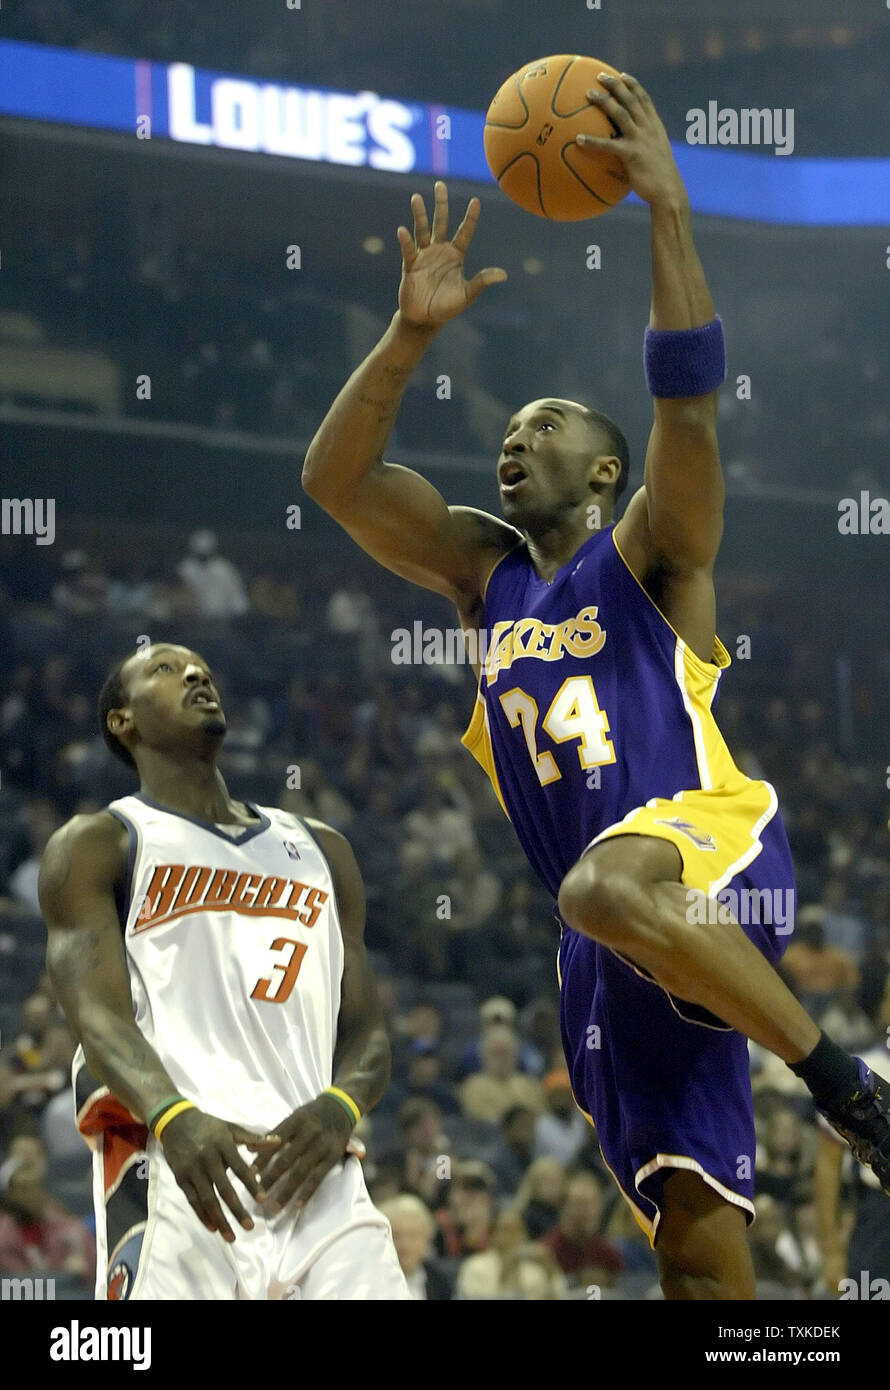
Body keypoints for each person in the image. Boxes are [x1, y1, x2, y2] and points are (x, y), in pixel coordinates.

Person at [302, 69, 890, 1300]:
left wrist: (666, 210)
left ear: (603, 468)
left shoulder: (651, 562)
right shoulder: (485, 578)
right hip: (604, 938)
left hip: (701, 857)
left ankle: (847, 1088)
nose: (517, 435)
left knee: (600, 881)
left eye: (549, 420)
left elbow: (689, 404)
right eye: (507, 427)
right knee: (690, 1236)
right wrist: (409, 338)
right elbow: (338, 483)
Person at [38, 643, 408, 1300]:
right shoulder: (99, 843)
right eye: (164, 669)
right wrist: (172, 1114)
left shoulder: (323, 849)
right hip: (178, 1162)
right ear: (122, 722)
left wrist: (339, 1106)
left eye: (201, 668)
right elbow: (95, 1015)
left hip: (315, 1169)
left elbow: (368, 1034)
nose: (195, 673)